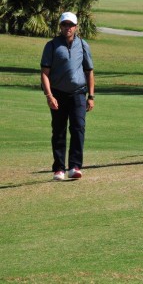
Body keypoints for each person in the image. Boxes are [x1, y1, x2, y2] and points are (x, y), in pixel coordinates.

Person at [40, 12, 95, 180]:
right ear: (60, 26)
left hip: (78, 93)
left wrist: (91, 96)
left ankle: (75, 166)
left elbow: (89, 72)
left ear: (76, 27)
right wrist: (49, 95)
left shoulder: (83, 45)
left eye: (71, 25)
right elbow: (44, 73)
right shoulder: (51, 46)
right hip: (57, 93)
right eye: (65, 24)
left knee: (78, 128)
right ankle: (59, 168)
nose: (68, 28)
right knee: (59, 130)